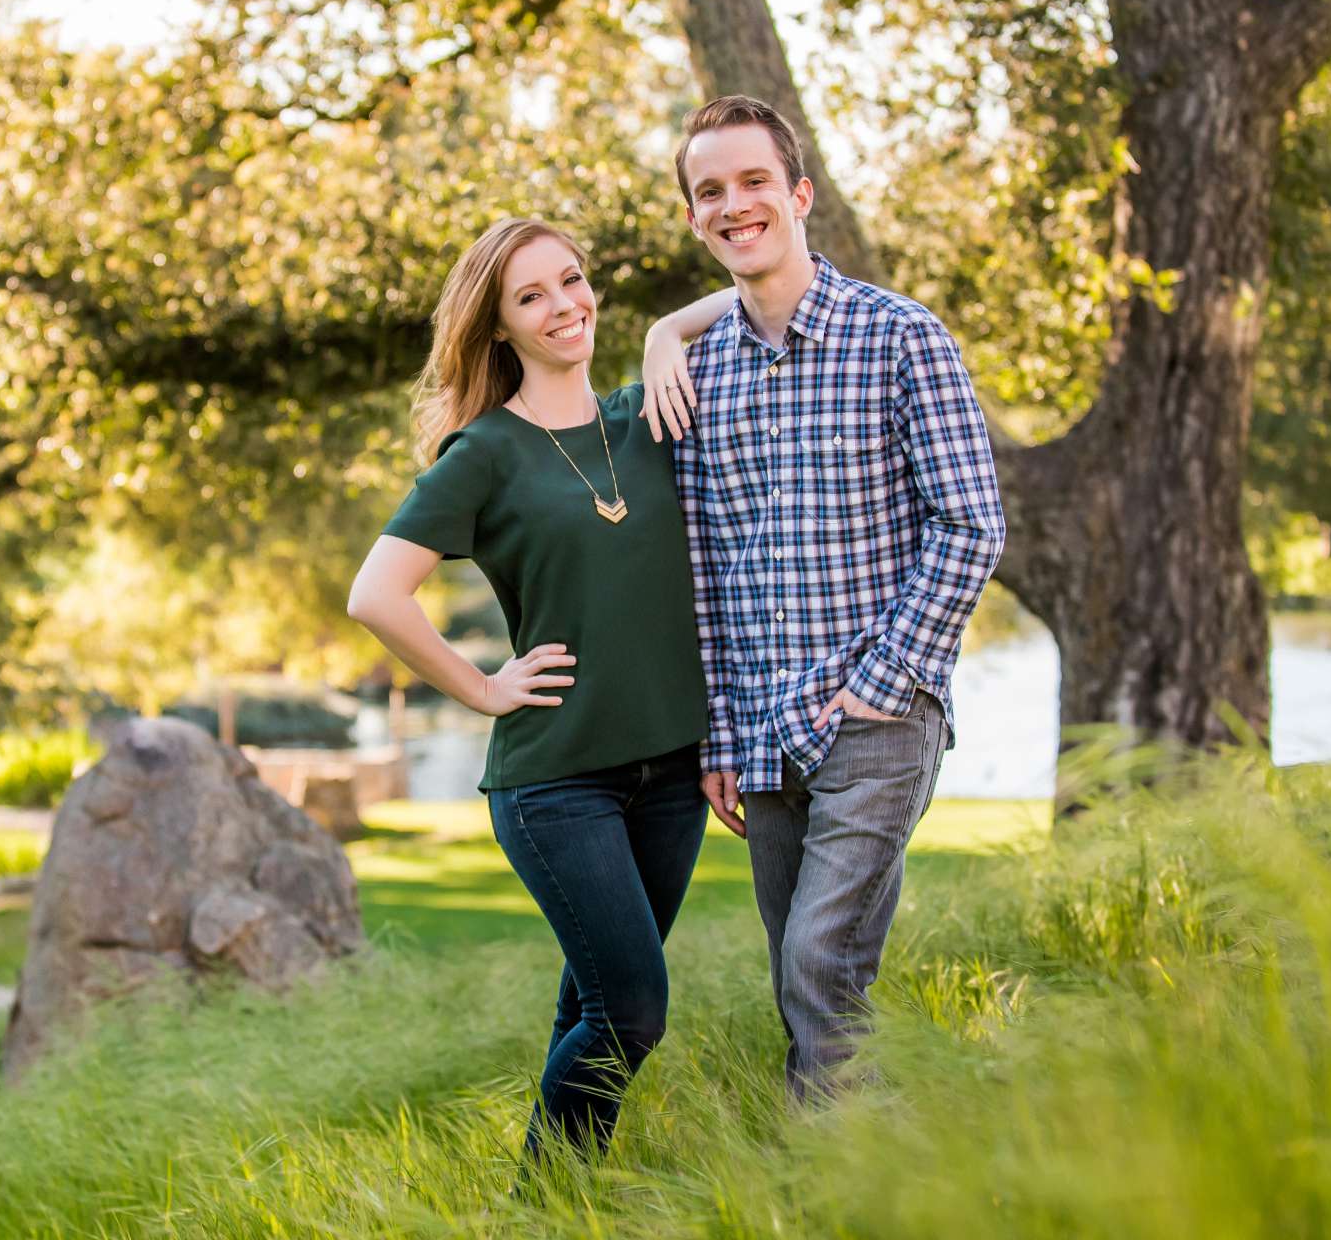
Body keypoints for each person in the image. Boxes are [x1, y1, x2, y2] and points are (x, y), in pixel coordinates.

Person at [638, 94, 1007, 1099]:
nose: (734, 203)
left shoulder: (899, 338)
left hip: (876, 719)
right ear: (693, 218)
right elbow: (708, 572)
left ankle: (840, 1197)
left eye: (755, 181)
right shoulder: (697, 376)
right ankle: (859, 1186)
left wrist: (887, 683)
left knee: (820, 964)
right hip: (763, 739)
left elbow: (972, 524)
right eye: (710, 190)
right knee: (805, 983)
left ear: (800, 194)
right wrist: (719, 735)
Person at [347, 216, 710, 1160]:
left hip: (673, 777)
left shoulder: (650, 412)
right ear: (499, 328)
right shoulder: (485, 454)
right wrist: (479, 688)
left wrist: (668, 329)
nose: (565, 306)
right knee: (632, 1012)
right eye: (532, 295)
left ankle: (559, 1214)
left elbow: (773, 287)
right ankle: (541, 1199)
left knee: (592, 1011)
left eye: (574, 280)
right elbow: (376, 595)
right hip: (557, 784)